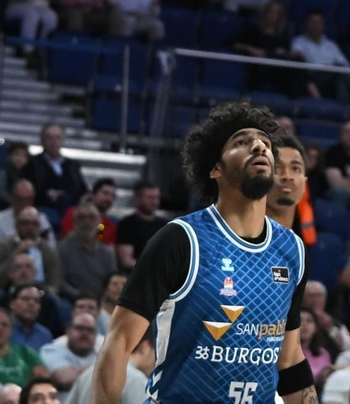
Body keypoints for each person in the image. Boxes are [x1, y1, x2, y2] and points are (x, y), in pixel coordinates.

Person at [93, 102, 314, 404]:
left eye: (264, 142)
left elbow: (289, 360)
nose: (259, 146)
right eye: (242, 142)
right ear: (215, 169)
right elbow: (118, 343)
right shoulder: (181, 239)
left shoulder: (292, 249)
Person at [55, 199, 114, 302]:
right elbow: (60, 282)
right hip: (72, 303)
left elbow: (112, 282)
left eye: (91, 217)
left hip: (101, 305)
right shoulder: (61, 249)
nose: (86, 222)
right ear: (74, 221)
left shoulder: (107, 253)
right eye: (81, 217)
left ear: (100, 221)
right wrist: (82, 297)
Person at [28, 126, 85, 213]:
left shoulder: (72, 165)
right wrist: (50, 194)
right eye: (49, 137)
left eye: (57, 137)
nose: (53, 141)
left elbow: (80, 189)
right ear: (42, 140)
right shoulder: (32, 163)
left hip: (71, 210)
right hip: (41, 208)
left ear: (63, 140)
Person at [38, 313, 97, 391]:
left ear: (96, 335)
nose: (84, 333)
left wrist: (76, 370)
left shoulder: (101, 357)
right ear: (68, 331)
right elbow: (64, 379)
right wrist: (97, 370)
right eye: (79, 328)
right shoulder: (51, 351)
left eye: (90, 330)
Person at [0, 308, 45, 387]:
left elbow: (43, 383)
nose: (0, 328)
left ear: (11, 330)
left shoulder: (27, 353)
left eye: (5, 325)